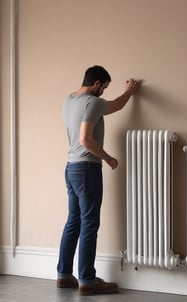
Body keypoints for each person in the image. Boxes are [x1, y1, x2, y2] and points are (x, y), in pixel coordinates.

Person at [56, 65, 141, 295]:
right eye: (103, 87)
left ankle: (64, 275)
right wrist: (109, 158)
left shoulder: (68, 100)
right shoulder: (93, 103)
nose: (103, 92)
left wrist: (127, 93)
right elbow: (87, 138)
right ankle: (87, 280)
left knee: (73, 221)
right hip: (87, 169)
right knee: (89, 224)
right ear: (96, 84)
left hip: (71, 168)